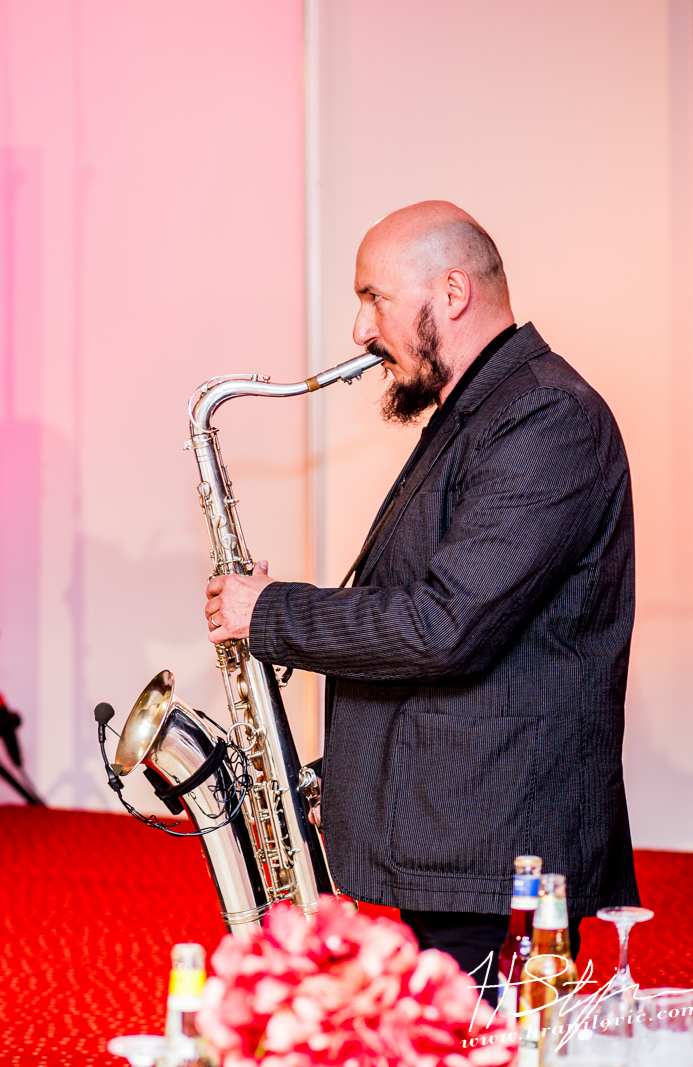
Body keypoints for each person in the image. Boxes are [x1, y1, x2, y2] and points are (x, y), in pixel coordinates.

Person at [201, 201, 638, 991]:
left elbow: (445, 625)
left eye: (374, 297)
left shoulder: (546, 415)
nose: (361, 330)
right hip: (467, 827)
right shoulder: (482, 411)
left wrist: (270, 613)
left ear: (453, 292)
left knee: (486, 1039)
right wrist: (359, 769)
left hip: (499, 840)